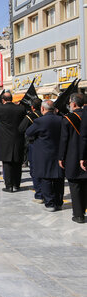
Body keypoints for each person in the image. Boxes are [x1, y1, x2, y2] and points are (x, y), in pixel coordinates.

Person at [25, 100, 64, 211]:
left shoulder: (39, 121)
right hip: (58, 152)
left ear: (42, 109)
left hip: (44, 153)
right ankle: (58, 202)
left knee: (46, 178)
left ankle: (50, 203)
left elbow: (28, 132)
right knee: (58, 178)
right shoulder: (61, 119)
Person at [0, 92, 27, 193]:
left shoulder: (0, 109)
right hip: (18, 138)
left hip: (5, 140)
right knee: (17, 163)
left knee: (7, 163)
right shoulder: (21, 109)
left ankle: (9, 186)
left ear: (3, 100)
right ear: (11, 99)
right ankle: (16, 184)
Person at [59, 93, 86, 222]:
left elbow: (64, 140)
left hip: (73, 155)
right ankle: (83, 209)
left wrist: (61, 157)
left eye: (70, 102)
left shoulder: (68, 118)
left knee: (74, 186)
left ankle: (78, 214)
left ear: (74, 104)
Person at [19, 98, 43, 203]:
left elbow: (21, 128)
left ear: (32, 107)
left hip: (33, 144)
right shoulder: (46, 115)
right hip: (47, 145)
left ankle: (39, 193)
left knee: (34, 169)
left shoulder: (30, 117)